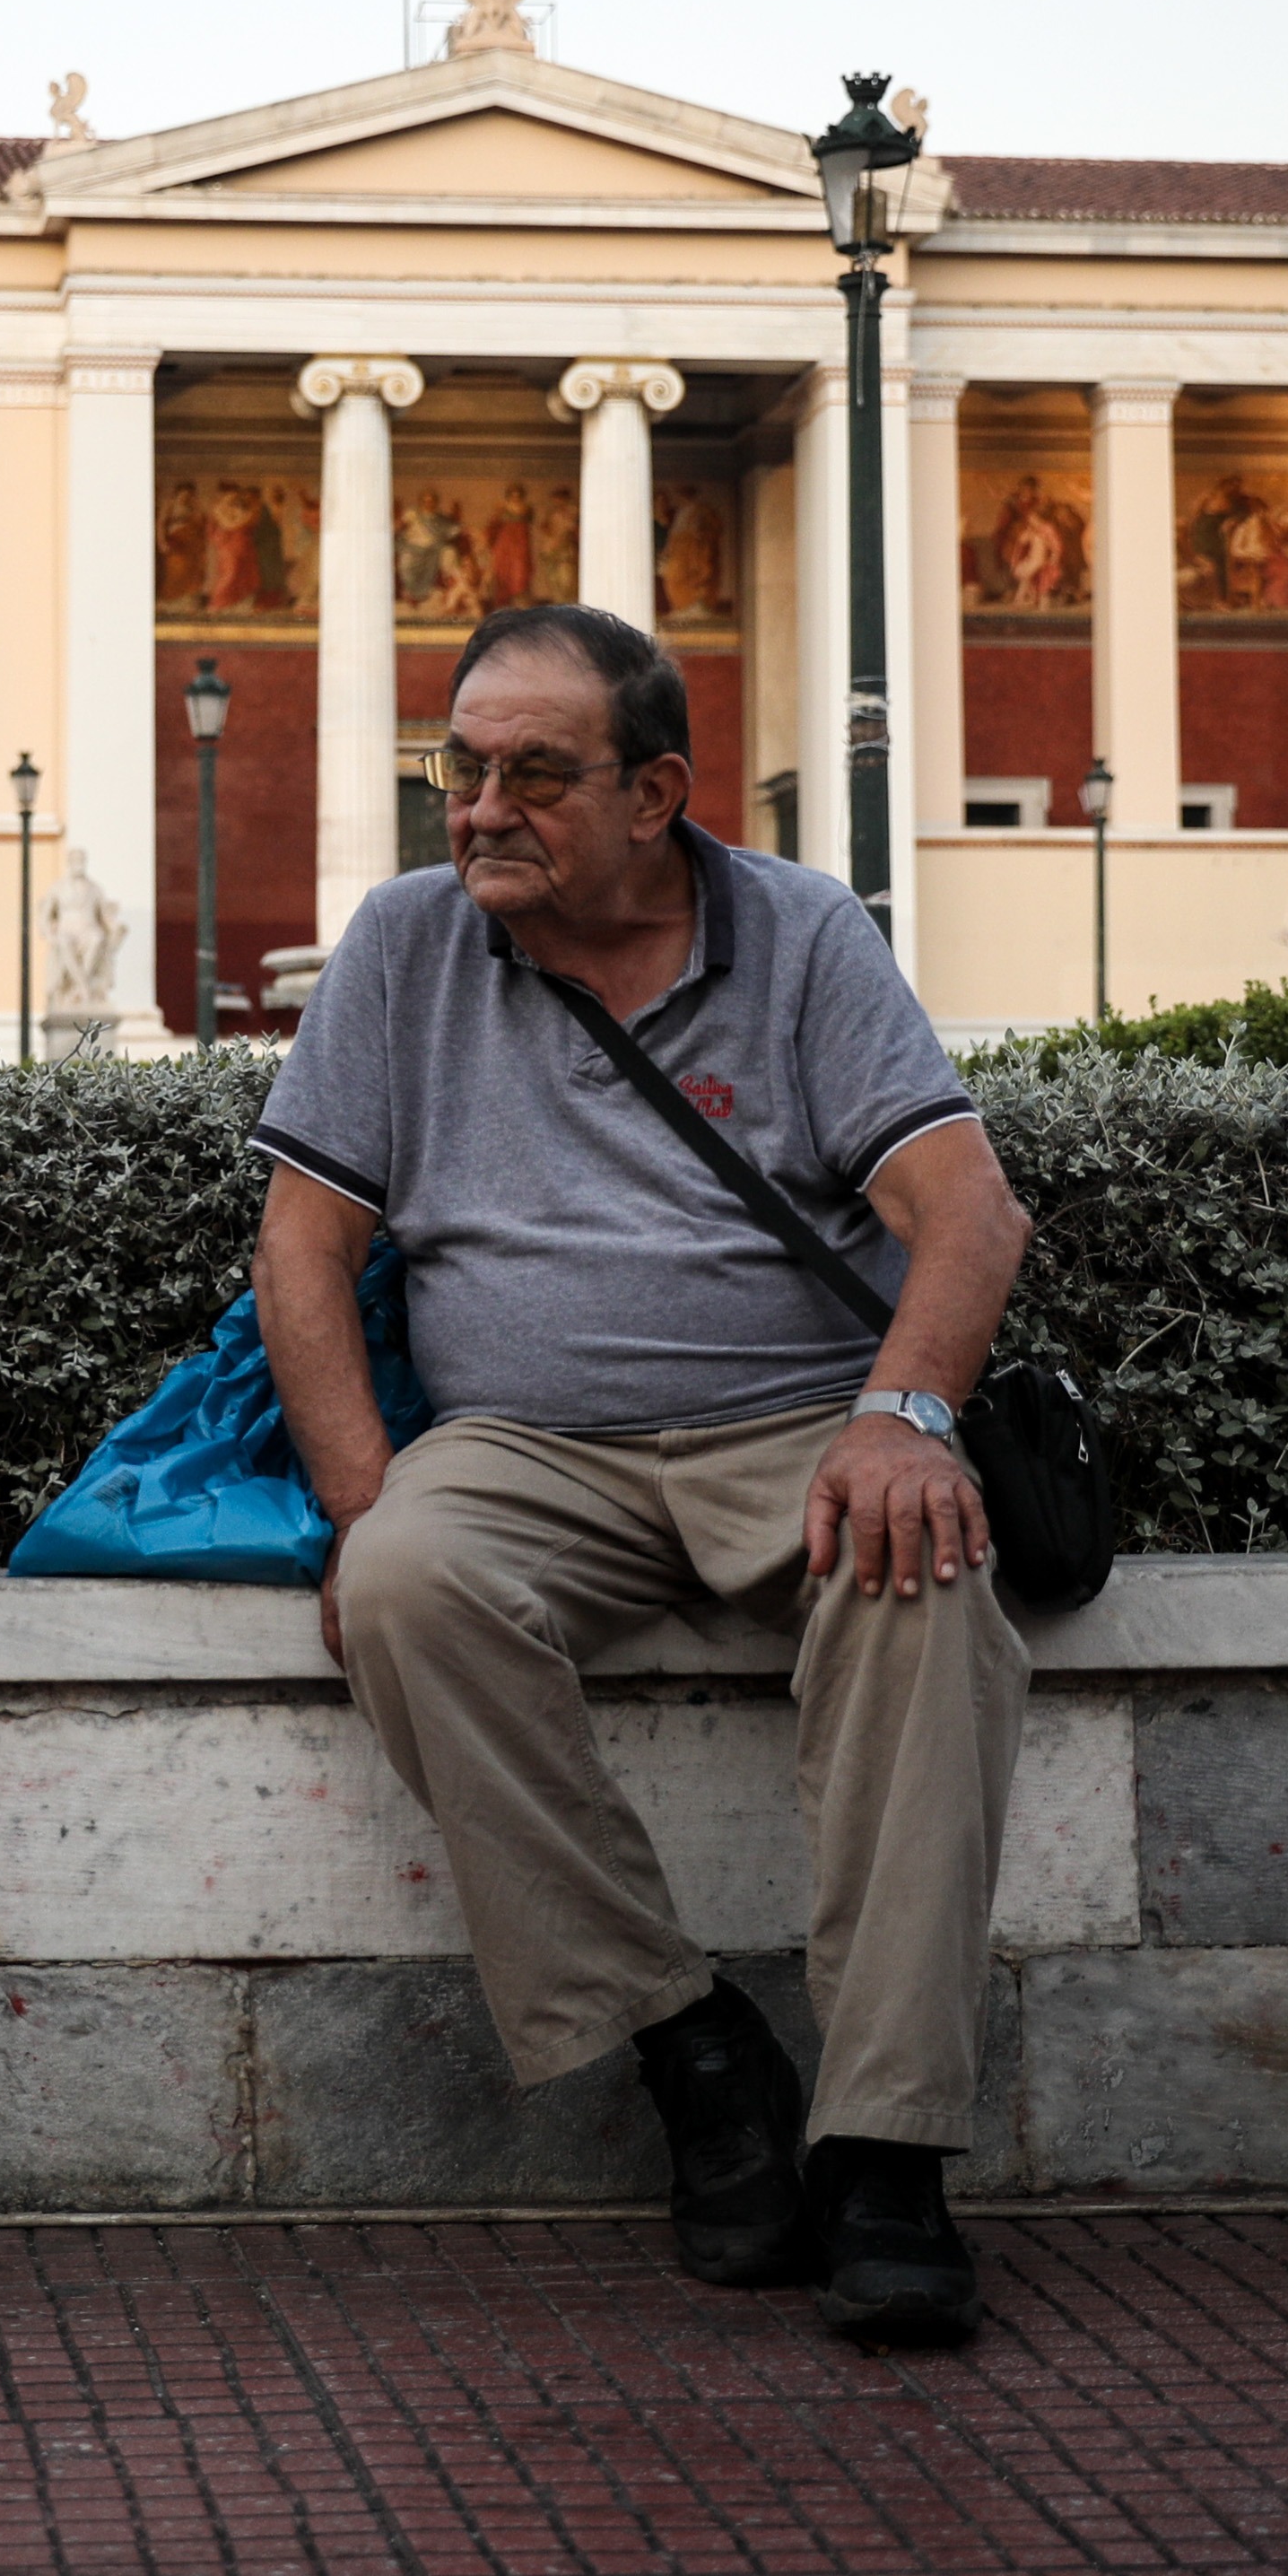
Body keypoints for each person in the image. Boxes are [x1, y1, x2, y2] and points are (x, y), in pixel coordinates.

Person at [253, 603, 1041, 2350]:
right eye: (460, 767)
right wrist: (362, 1494)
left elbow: (967, 1215)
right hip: (524, 1449)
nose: (478, 809)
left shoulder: (801, 934)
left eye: (535, 772)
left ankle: (887, 2146)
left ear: (656, 792)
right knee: (400, 1583)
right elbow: (299, 1254)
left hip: (796, 1430)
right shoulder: (401, 944)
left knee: (928, 1593)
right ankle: (691, 2047)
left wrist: (901, 1417)